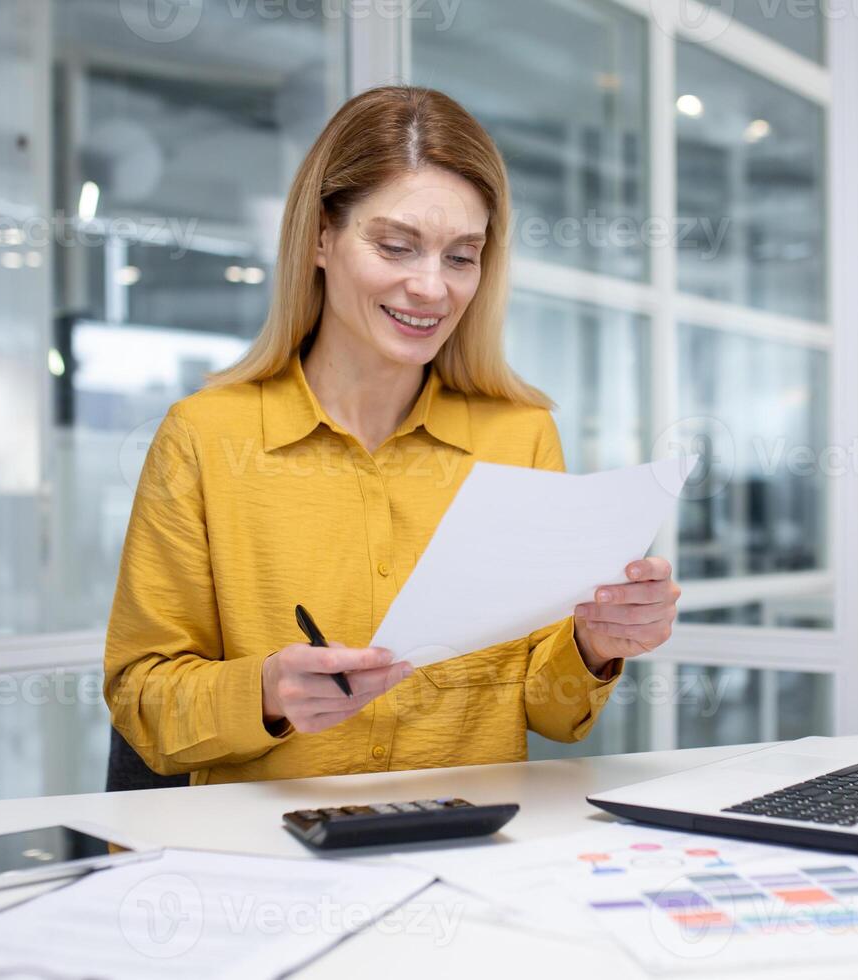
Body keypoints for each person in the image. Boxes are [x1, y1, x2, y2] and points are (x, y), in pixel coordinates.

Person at [103, 85, 680, 786]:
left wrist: (593, 643)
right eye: (397, 246)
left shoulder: (520, 436)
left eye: (461, 257)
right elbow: (142, 698)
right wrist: (264, 692)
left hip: (474, 852)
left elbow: (548, 712)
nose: (432, 289)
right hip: (267, 869)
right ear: (320, 237)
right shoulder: (204, 436)